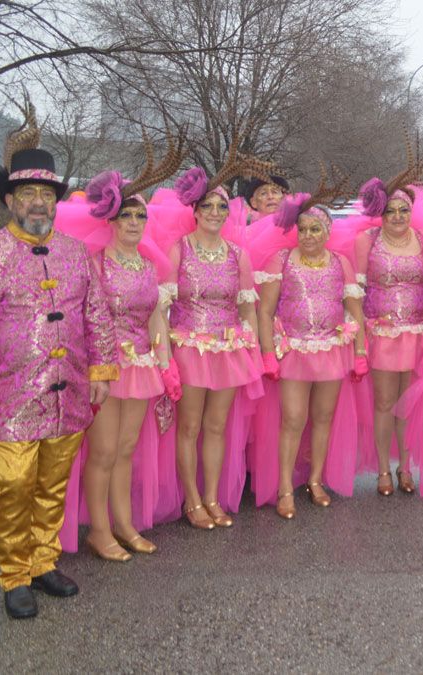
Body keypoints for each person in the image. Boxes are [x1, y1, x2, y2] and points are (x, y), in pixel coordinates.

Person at [0, 115, 116, 619]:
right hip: (11, 398)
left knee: (54, 482)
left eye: (46, 193)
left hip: (69, 397)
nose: (38, 202)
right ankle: (15, 575)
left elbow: (97, 314)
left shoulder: (76, 253)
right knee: (17, 484)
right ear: (9, 201)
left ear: (55, 200)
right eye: (27, 194)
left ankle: (44, 562)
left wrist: (103, 373)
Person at [66, 147, 183, 561]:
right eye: (126, 216)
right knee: (102, 451)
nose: (134, 223)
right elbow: (81, 318)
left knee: (127, 448)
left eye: (140, 217)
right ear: (111, 221)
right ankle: (99, 530)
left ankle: (123, 523)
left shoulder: (149, 265)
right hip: (104, 365)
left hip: (140, 366)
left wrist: (166, 365)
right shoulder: (95, 261)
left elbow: (156, 318)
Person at [160, 158, 267, 529]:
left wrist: (250, 345)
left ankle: (212, 497)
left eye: (222, 206)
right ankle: (191, 500)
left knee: (217, 426)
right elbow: (161, 307)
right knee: (189, 427)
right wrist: (164, 355)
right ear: (194, 210)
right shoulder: (180, 250)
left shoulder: (239, 255)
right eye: (207, 205)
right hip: (189, 349)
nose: (215, 212)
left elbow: (248, 308)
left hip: (227, 351)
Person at [254, 190, 365, 518]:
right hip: (294, 352)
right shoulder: (281, 261)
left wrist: (360, 352)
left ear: (328, 231)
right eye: (302, 229)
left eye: (315, 229)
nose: (308, 235)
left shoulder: (341, 263)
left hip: (331, 350)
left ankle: (315, 480)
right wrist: (267, 352)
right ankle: (285, 486)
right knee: (292, 419)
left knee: (323, 418)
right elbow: (265, 311)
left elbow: (354, 310)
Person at [353, 147, 423, 496]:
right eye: (390, 210)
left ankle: (406, 467)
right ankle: (382, 471)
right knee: (384, 403)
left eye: (404, 209)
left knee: (409, 404)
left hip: (418, 333)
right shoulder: (366, 241)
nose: (397, 216)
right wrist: (360, 340)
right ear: (380, 213)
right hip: (382, 334)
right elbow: (355, 294)